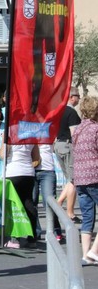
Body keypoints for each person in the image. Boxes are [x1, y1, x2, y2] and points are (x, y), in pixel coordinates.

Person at [70, 96, 98, 266]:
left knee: (87, 217)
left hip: (80, 178)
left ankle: (85, 255)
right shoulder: (96, 129)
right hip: (95, 176)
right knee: (89, 216)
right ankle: (94, 252)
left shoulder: (78, 129)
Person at [3, 143, 40, 249]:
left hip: (13, 172)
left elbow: (2, 154)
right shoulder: (32, 136)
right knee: (28, 203)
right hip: (28, 173)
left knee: (13, 205)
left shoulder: (10, 135)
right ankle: (32, 238)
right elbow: (37, 159)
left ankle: (15, 238)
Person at [56, 87, 82, 223]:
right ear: (72, 97)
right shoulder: (71, 112)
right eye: (78, 95)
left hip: (58, 145)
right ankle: (69, 211)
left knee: (70, 179)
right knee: (74, 180)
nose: (79, 98)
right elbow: (74, 134)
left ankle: (59, 203)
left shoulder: (58, 110)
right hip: (67, 145)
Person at [34, 144, 62, 242]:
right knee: (32, 202)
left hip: (47, 170)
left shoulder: (48, 131)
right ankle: (35, 232)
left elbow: (56, 146)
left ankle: (55, 230)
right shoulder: (27, 132)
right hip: (30, 170)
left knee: (49, 202)